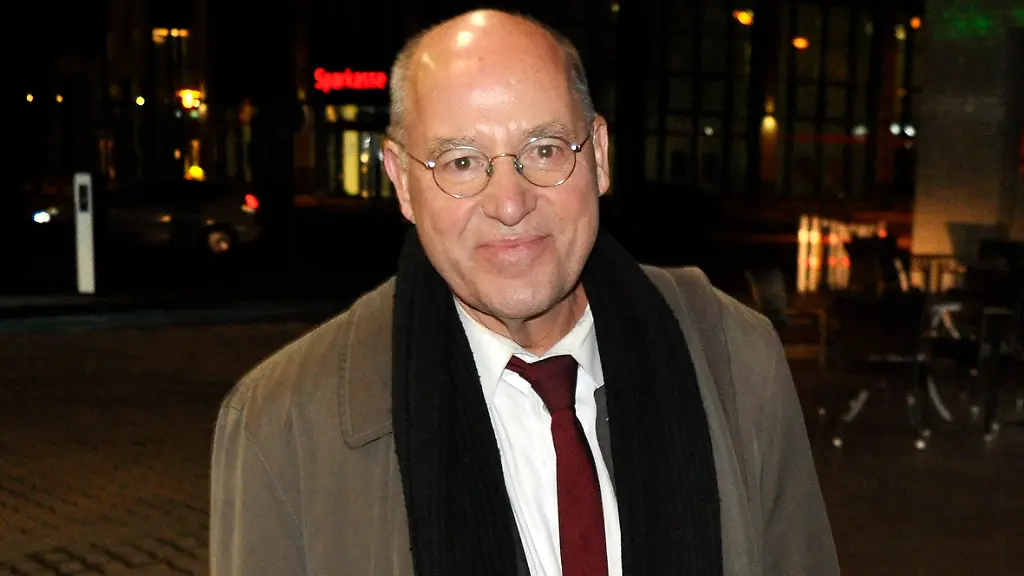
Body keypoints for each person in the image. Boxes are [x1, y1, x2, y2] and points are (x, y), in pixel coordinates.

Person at [210, 9, 839, 576]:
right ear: (402, 182)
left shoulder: (736, 358)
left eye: (544, 150)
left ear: (598, 155)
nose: (510, 203)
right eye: (461, 162)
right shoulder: (281, 426)